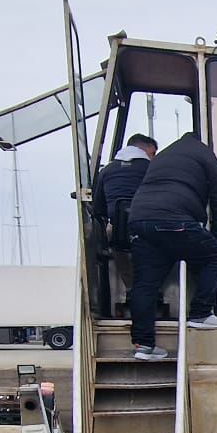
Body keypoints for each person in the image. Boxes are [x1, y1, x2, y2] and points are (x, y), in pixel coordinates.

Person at [123, 132, 217, 360]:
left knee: (145, 284)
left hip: (140, 222)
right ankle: (201, 313)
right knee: (216, 259)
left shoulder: (162, 157)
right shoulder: (204, 154)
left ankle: (144, 346)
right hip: (175, 221)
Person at [86, 135, 157, 319]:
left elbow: (98, 208)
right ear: (145, 148)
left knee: (118, 250)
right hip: (148, 228)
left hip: (118, 231)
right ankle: (150, 293)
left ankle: (131, 290)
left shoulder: (107, 171)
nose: (154, 156)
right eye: (153, 152)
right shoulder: (151, 168)